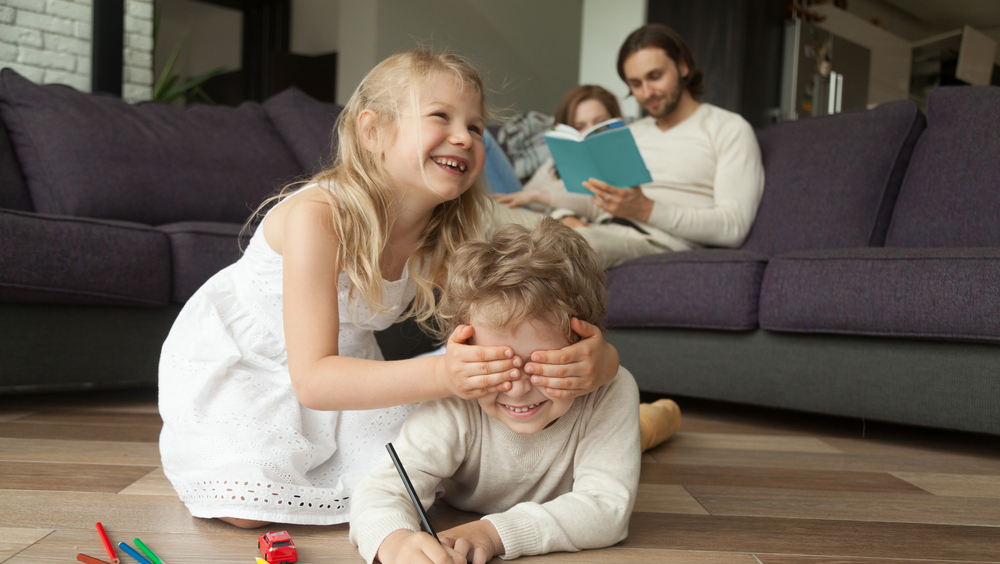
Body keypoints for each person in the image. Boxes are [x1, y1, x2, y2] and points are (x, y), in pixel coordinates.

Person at [157, 49, 622, 530]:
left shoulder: (449, 235)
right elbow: (314, 380)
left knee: (419, 474)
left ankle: (632, 430)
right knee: (247, 507)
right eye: (441, 117)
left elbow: (505, 327)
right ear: (372, 131)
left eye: (477, 127)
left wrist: (600, 360)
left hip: (347, 369)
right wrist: (447, 376)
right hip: (256, 362)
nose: (464, 137)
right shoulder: (319, 217)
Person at [349, 219, 641, 564]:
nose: (518, 390)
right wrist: (395, 544)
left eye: (543, 366)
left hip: (604, 428)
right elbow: (380, 491)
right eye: (497, 369)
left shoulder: (611, 392)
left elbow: (607, 510)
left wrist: (493, 532)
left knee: (643, 431)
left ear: (585, 348)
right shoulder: (455, 398)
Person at [503, 24, 765, 270]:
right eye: (636, 84)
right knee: (486, 217)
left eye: (655, 76)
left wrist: (646, 209)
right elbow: (601, 201)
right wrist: (537, 197)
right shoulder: (631, 133)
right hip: (602, 228)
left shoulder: (728, 128)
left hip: (652, 241)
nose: (647, 92)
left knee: (554, 246)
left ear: (683, 66)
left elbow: (733, 227)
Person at [492, 85, 622, 220]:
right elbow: (523, 198)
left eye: (600, 123)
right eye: (579, 127)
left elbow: (601, 205)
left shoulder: (623, 162)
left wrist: (545, 197)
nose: (590, 133)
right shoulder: (555, 165)